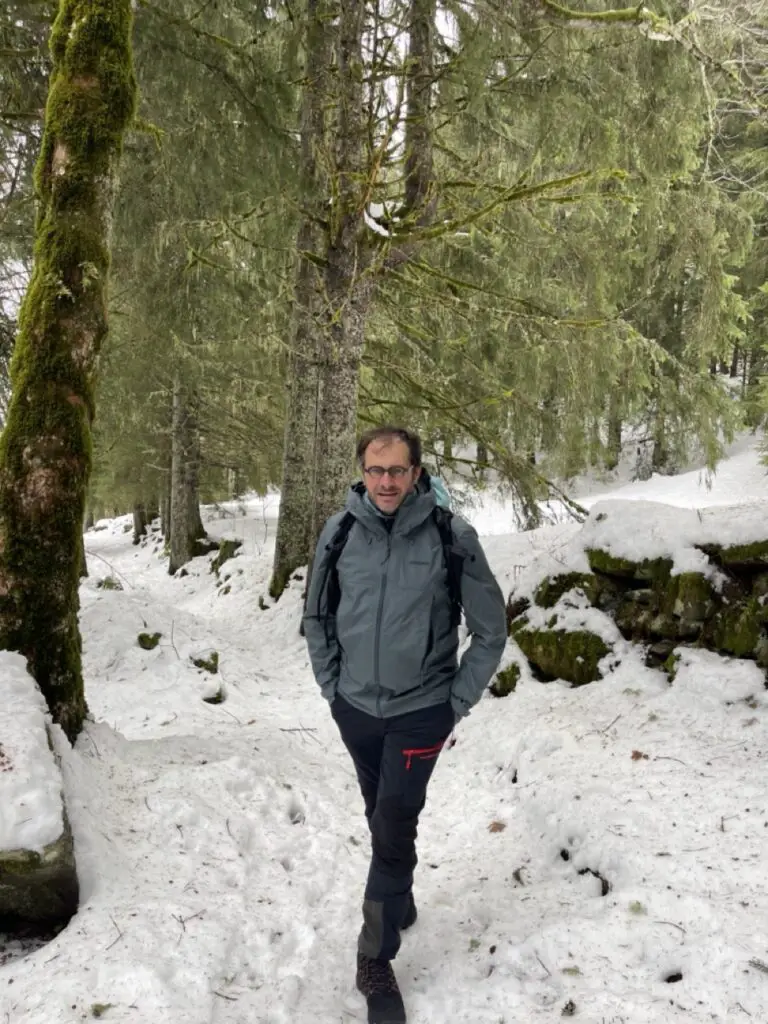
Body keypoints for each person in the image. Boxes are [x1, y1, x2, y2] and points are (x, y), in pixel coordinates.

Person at [304, 425, 507, 1024]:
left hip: (421, 711)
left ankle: (375, 960)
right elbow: (317, 615)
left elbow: (491, 630)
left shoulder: (451, 536)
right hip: (356, 710)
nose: (386, 482)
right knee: (379, 810)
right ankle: (398, 892)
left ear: (417, 473)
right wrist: (332, 689)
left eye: (397, 471)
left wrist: (454, 703)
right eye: (375, 470)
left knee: (394, 821)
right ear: (362, 472)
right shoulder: (340, 531)